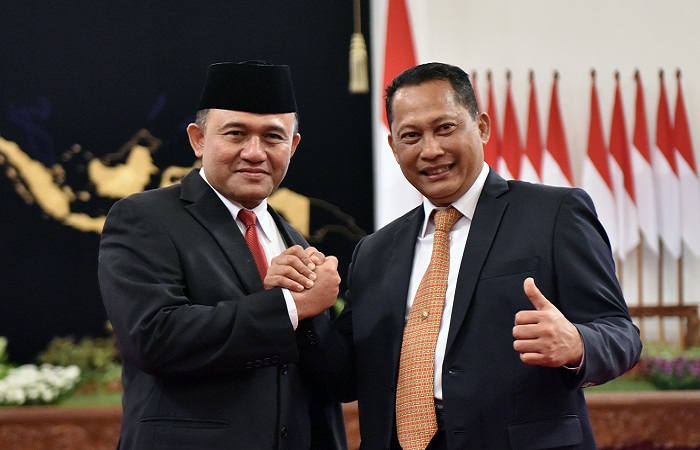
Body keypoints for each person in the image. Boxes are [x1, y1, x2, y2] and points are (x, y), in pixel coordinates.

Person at [279, 62, 642, 449]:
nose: (430, 150)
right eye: (411, 135)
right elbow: (346, 377)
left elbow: (621, 334)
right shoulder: (374, 251)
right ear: (393, 147)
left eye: (445, 128)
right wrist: (304, 311)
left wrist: (578, 343)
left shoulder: (554, 214)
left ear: (481, 126)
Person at [98, 60, 347, 450]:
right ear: (198, 139)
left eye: (273, 137)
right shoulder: (145, 217)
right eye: (235, 134)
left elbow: (328, 382)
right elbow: (153, 337)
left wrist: (315, 318)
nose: (254, 152)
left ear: (293, 146)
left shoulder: (294, 240)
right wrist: (291, 307)